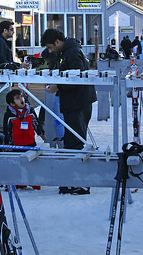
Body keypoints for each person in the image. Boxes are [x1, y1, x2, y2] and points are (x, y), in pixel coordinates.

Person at [41, 28, 96, 195]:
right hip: (76, 101)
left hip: (78, 102)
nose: (50, 51)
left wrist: (58, 86)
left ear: (58, 42)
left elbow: (77, 78)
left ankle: (80, 183)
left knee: (76, 142)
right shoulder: (67, 50)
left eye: (51, 47)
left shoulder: (71, 53)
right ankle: (73, 180)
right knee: (72, 141)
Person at [0, 20, 26, 128]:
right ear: (5, 30)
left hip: (3, 78)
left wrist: (17, 65)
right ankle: (2, 131)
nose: (13, 32)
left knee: (5, 105)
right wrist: (17, 65)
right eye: (11, 29)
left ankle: (4, 129)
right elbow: (1, 62)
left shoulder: (1, 42)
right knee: (5, 105)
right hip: (1, 78)